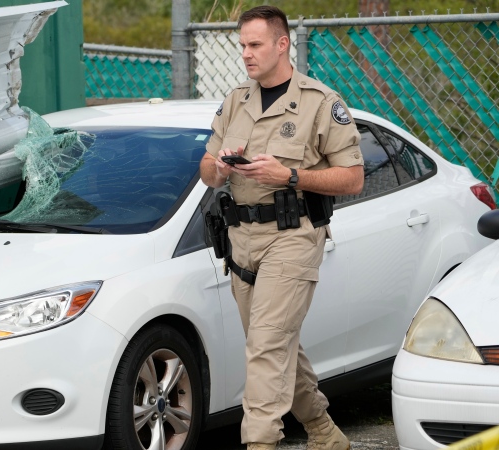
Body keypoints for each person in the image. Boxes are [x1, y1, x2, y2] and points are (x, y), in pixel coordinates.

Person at [199, 6, 365, 450]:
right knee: (275, 344)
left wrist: (291, 176)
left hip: (292, 237)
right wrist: (218, 167)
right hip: (240, 241)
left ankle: (260, 443)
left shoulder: (320, 102)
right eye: (242, 46)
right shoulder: (236, 100)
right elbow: (206, 169)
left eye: (255, 45)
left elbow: (352, 177)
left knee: (266, 349)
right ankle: (325, 433)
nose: (246, 55)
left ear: (282, 43)